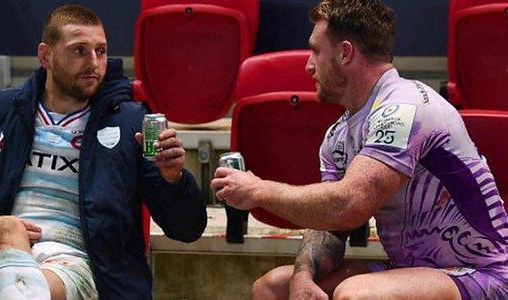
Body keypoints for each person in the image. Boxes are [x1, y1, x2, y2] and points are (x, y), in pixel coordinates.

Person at [211, 0, 508, 299]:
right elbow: (329, 220)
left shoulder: (405, 109)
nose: (308, 65)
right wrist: (303, 275)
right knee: (273, 288)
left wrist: (258, 190)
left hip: (481, 274)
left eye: (315, 50)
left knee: (357, 294)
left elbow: (351, 204)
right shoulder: (338, 134)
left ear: (345, 53)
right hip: (408, 270)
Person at [0, 5, 207, 300]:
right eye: (79, 51)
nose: (94, 63)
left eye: (101, 51)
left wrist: (174, 180)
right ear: (45, 56)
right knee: (5, 228)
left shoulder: (129, 123)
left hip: (73, 261)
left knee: (12, 293)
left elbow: (186, 229)